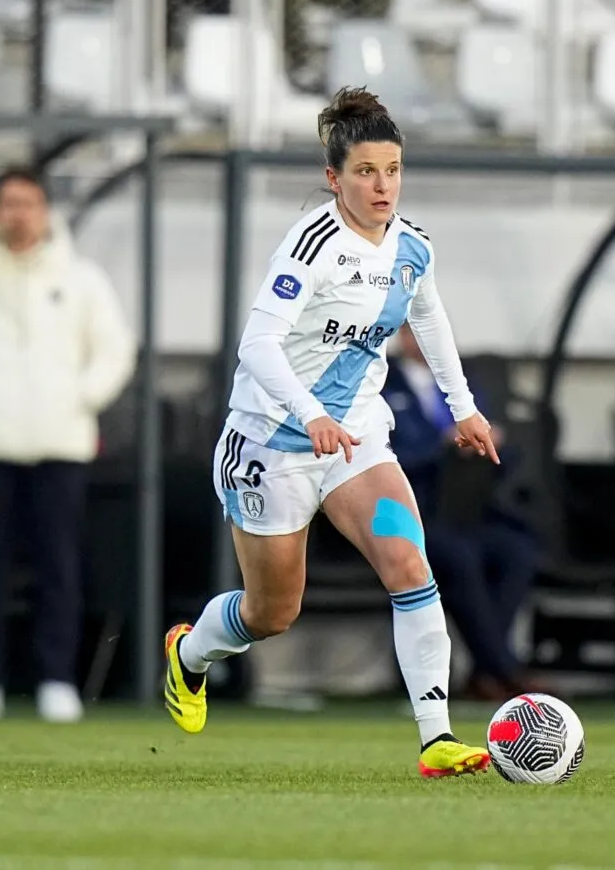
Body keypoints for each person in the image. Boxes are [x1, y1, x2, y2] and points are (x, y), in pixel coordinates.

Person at [163, 86, 501, 778]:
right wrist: (306, 413)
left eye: (394, 170)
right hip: (269, 442)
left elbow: (430, 320)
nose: (383, 186)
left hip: (355, 440)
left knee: (411, 563)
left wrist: (462, 406)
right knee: (271, 612)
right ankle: (189, 653)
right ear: (334, 177)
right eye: (366, 172)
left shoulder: (412, 247)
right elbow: (256, 345)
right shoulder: (313, 241)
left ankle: (435, 737)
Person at [0, 166, 135, 723]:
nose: (18, 214)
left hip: (61, 445)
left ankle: (56, 678)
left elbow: (114, 350)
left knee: (58, 566)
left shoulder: (82, 279)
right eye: (8, 203)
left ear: (45, 210)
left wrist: (79, 399)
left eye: (29, 203)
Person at [383, 324, 541, 701]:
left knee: (517, 551)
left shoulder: (458, 381)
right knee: (458, 558)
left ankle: (487, 671)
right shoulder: (382, 380)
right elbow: (386, 453)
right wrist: (442, 447)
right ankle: (505, 670)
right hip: (409, 513)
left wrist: (490, 443)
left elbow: (502, 454)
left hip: (466, 509)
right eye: (409, 331)